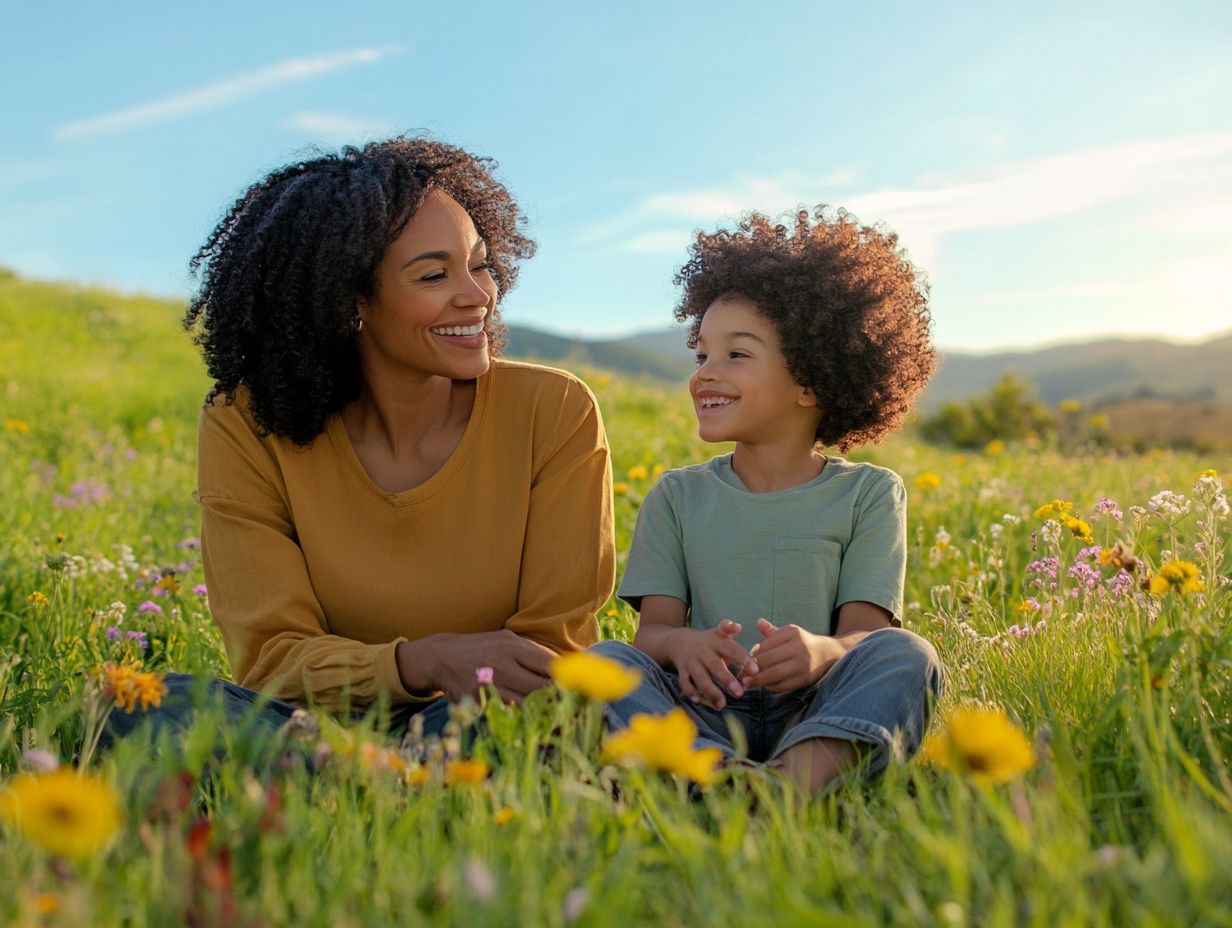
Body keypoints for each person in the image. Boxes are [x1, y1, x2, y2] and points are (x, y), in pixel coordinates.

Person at [108, 137, 615, 746]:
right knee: (136, 706)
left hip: (480, 719)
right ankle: (374, 785)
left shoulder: (554, 411)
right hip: (313, 726)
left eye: (480, 263)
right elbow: (271, 660)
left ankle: (350, 793)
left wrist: (452, 688)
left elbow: (547, 656)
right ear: (349, 301)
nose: (479, 294)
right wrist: (418, 662)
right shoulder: (246, 423)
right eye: (434, 274)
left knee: (499, 728)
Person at [592, 207, 942, 795]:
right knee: (607, 661)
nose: (705, 373)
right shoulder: (676, 496)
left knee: (908, 655)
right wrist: (685, 646)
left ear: (811, 381)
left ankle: (788, 783)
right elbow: (651, 635)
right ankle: (721, 778)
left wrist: (823, 651)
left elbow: (865, 635)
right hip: (700, 708)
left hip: (814, 709)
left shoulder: (869, 494)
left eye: (737, 354)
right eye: (701, 354)